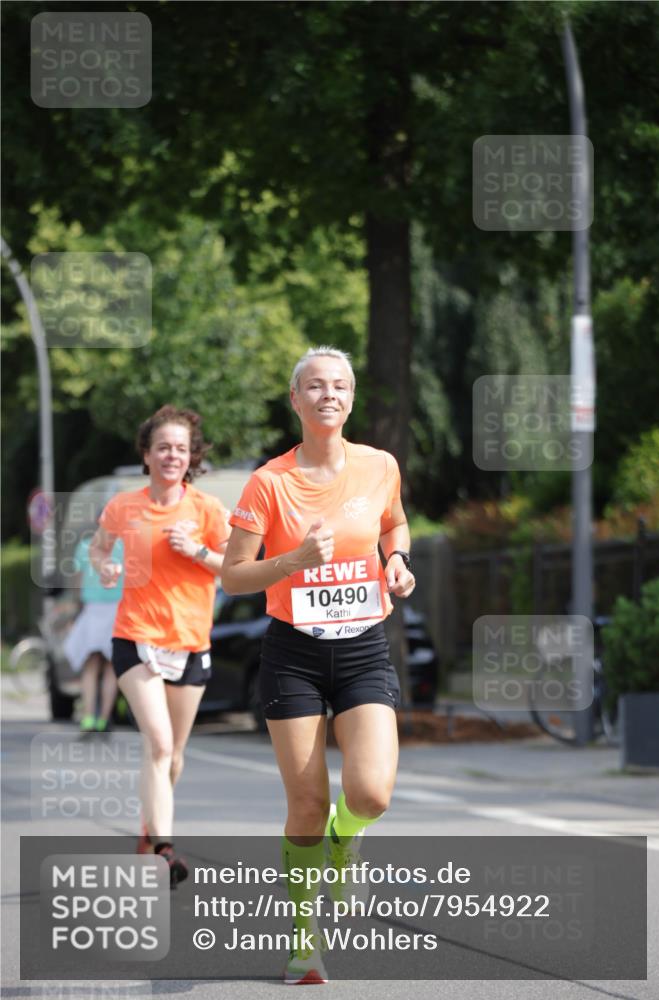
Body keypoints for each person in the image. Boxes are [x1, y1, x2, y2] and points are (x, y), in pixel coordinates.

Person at [221, 347, 415, 984]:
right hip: (294, 653)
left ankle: (347, 835)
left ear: (351, 398)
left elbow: (396, 525)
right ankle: (304, 940)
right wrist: (293, 561)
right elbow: (233, 576)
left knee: (371, 793)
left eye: (339, 385)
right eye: (314, 386)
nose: (328, 394)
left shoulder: (379, 465)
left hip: (363, 646)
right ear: (296, 400)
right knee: (305, 802)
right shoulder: (269, 482)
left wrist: (397, 560)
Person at [90, 406, 230, 886]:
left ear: (192, 457)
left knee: (174, 756)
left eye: (182, 448)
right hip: (136, 637)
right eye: (164, 447)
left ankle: (150, 830)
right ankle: (165, 849)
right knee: (159, 742)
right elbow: (99, 548)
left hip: (190, 642)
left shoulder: (207, 510)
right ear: (147, 455)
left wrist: (198, 552)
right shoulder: (124, 506)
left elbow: (236, 566)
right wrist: (105, 566)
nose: (173, 455)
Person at [63, 531, 124, 735]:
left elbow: (77, 581)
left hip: (92, 608)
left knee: (90, 665)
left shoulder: (85, 546)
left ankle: (88, 717)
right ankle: (104, 719)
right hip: (118, 608)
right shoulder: (125, 546)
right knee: (110, 666)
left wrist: (75, 611)